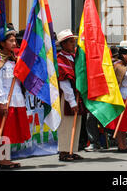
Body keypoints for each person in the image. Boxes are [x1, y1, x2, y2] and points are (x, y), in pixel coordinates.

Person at [0, 25, 31, 170]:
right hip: (4, 101)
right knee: (3, 131)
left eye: (15, 40)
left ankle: (7, 159)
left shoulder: (14, 59)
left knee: (10, 132)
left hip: (16, 99)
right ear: (2, 43)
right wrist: (2, 101)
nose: (14, 43)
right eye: (11, 41)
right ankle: (3, 161)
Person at [56, 29, 86, 161]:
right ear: (63, 44)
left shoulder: (74, 58)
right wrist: (72, 101)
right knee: (66, 124)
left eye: (74, 41)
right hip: (67, 97)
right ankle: (63, 151)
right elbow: (64, 83)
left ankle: (72, 150)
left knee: (76, 122)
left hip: (76, 94)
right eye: (70, 42)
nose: (74, 44)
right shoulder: (60, 59)